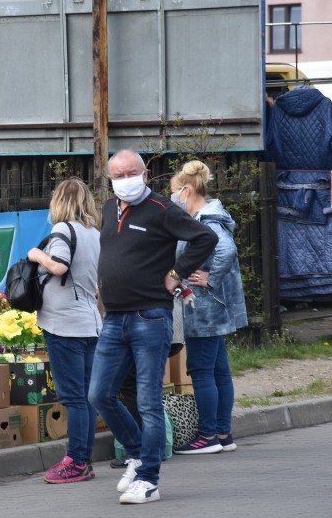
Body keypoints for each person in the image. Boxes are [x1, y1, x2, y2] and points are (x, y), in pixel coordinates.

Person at [88, 150, 218, 505]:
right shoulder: (108, 208)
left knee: (147, 401)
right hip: (114, 317)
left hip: (150, 316)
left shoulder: (162, 210)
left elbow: (205, 238)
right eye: (118, 174)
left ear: (145, 174)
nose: (124, 178)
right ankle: (136, 453)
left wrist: (176, 274)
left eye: (131, 172)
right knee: (99, 394)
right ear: (110, 179)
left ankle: (148, 479)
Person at [26, 178, 102, 484]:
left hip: (64, 324)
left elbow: (58, 266)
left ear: (60, 202)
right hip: (89, 322)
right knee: (86, 395)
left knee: (73, 397)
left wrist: (36, 255)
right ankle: (84, 458)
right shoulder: (94, 234)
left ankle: (77, 460)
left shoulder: (62, 231)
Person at [169, 161, 247, 455]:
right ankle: (223, 433)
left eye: (176, 192)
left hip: (203, 306)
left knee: (201, 370)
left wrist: (210, 277)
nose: (174, 198)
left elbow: (226, 249)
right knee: (218, 370)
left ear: (187, 190)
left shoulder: (207, 220)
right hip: (212, 304)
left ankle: (208, 435)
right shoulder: (210, 214)